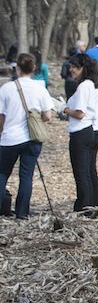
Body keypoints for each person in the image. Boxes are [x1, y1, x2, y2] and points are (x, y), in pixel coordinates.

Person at [0, 53, 54, 220]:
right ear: (34, 69)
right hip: (32, 138)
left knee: (2, 174)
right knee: (26, 175)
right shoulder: (40, 87)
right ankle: (22, 212)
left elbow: (1, 116)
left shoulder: (6, 88)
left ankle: (2, 206)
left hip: (9, 138)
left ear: (17, 68)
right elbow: (48, 116)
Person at [60, 54, 98, 218]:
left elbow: (79, 113)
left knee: (81, 172)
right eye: (70, 66)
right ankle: (95, 203)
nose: (71, 69)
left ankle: (84, 207)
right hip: (92, 129)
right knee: (90, 170)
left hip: (81, 131)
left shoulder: (84, 86)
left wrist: (64, 109)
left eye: (74, 67)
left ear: (83, 68)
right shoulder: (93, 84)